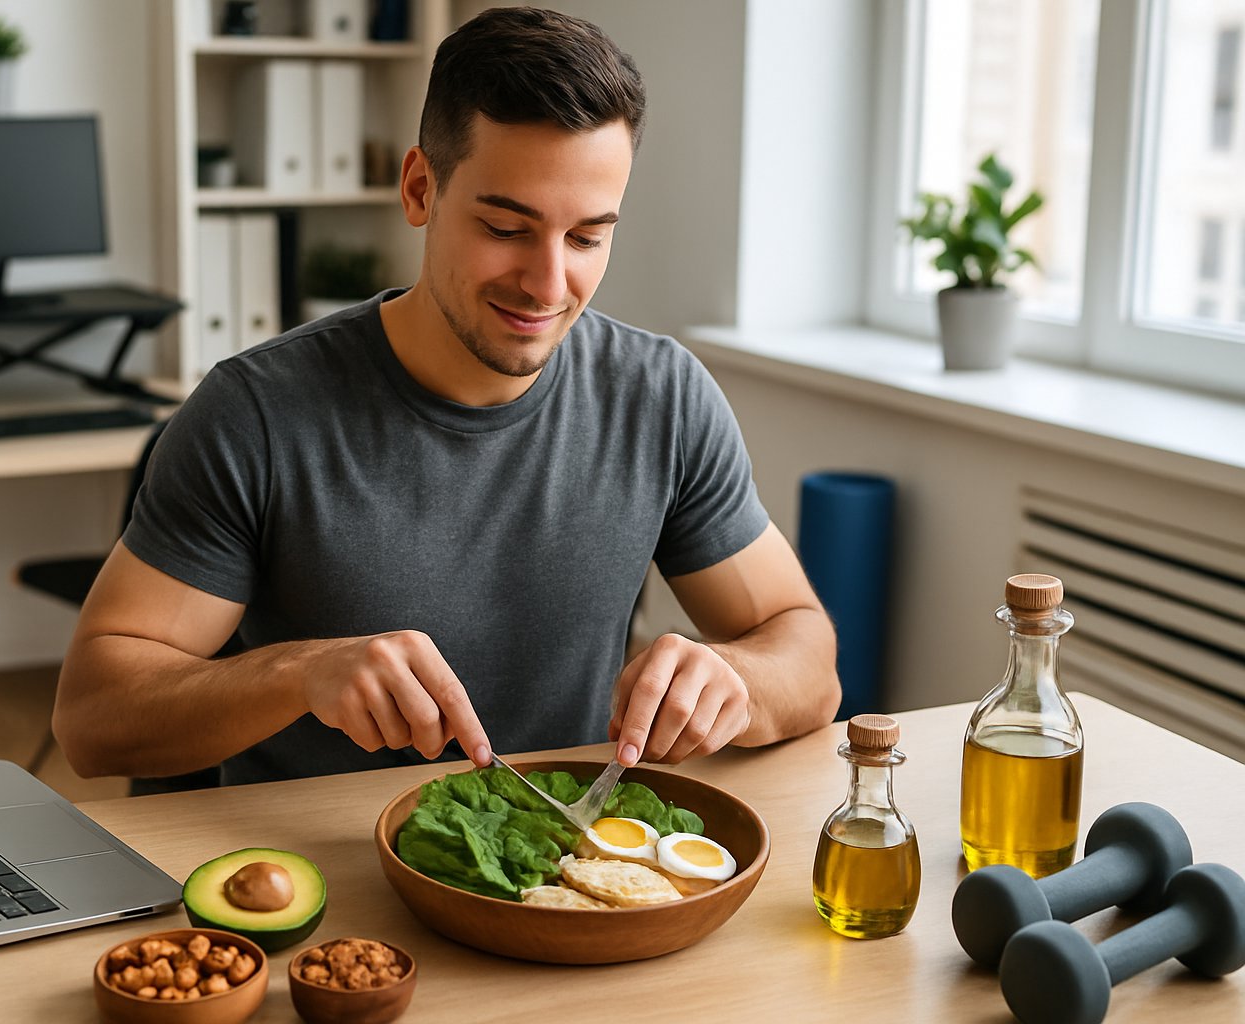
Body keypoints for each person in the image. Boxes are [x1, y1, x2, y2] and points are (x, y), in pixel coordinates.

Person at [53, 6, 840, 791]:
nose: (548, 283)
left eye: (588, 237)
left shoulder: (661, 399)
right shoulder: (256, 414)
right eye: (505, 227)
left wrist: (734, 678)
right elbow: (92, 720)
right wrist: (299, 673)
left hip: (554, 880)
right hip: (317, 880)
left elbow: (806, 657)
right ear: (420, 187)